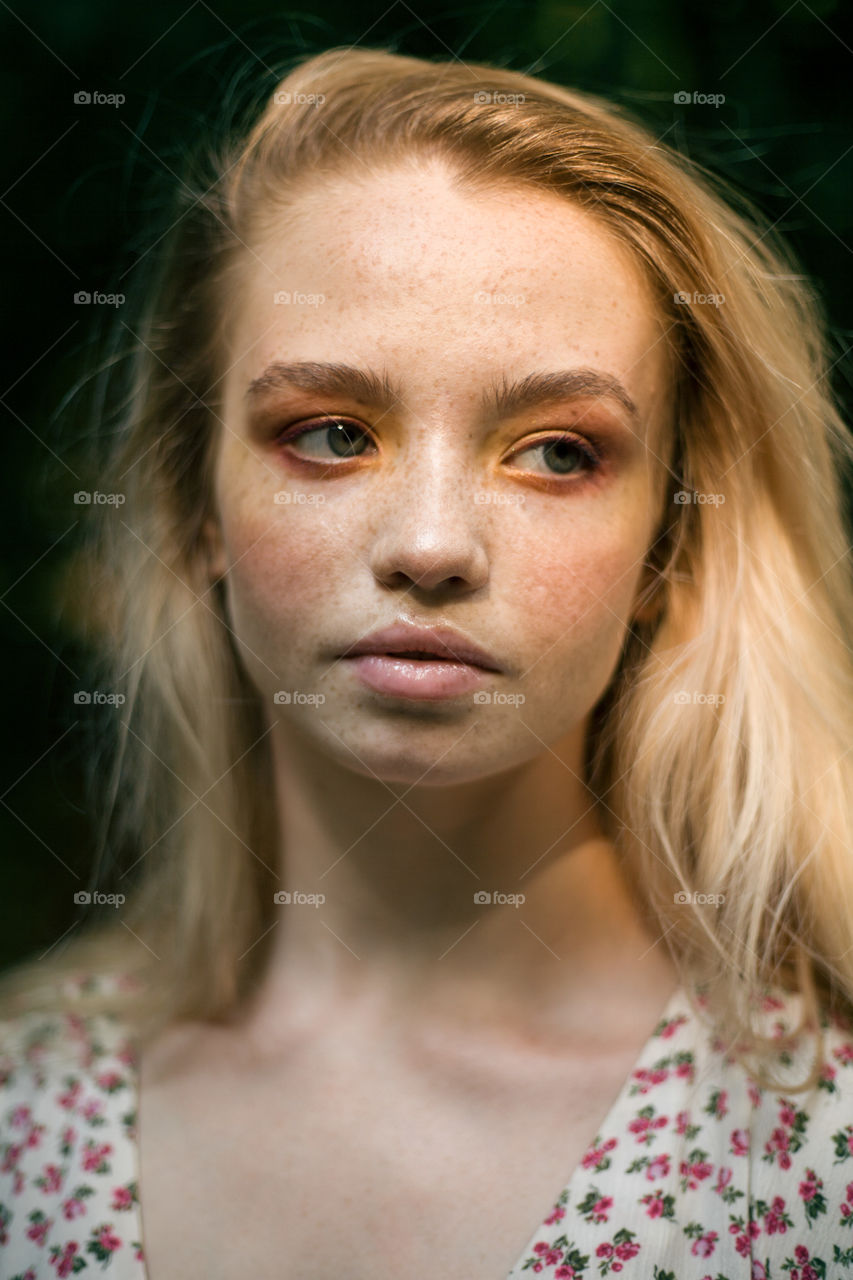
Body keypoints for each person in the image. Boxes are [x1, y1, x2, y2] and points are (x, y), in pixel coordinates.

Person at [1, 44, 852, 1280]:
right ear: (195, 506)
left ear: (671, 539)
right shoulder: (24, 1121)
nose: (432, 544)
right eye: (332, 433)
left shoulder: (817, 1153)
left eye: (558, 451)